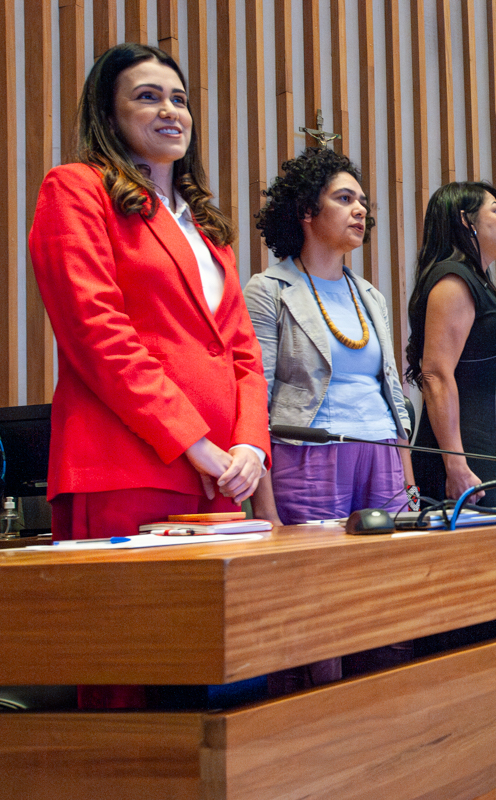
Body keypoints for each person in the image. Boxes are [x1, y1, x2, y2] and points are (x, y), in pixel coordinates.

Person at [28, 43, 270, 709]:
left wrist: (249, 446)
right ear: (109, 113)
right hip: (127, 468)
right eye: (148, 96)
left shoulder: (208, 228)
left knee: (213, 686)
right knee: (129, 683)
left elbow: (244, 354)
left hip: (220, 476)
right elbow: (96, 332)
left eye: (180, 98)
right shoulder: (75, 189)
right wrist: (194, 441)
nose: (171, 110)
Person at [244, 147, 414, 527]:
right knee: (319, 577)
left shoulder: (371, 296)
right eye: (344, 199)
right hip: (307, 454)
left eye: (362, 202)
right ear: (306, 211)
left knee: (392, 573)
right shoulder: (268, 289)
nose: (360, 210)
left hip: (381, 450)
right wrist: (265, 508)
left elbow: (394, 399)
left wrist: (411, 489)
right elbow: (255, 399)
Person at [406, 182, 496, 506]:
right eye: (495, 212)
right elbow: (435, 375)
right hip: (465, 463)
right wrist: (456, 466)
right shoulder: (453, 280)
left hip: (494, 455)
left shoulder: (476, 281)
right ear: (465, 220)